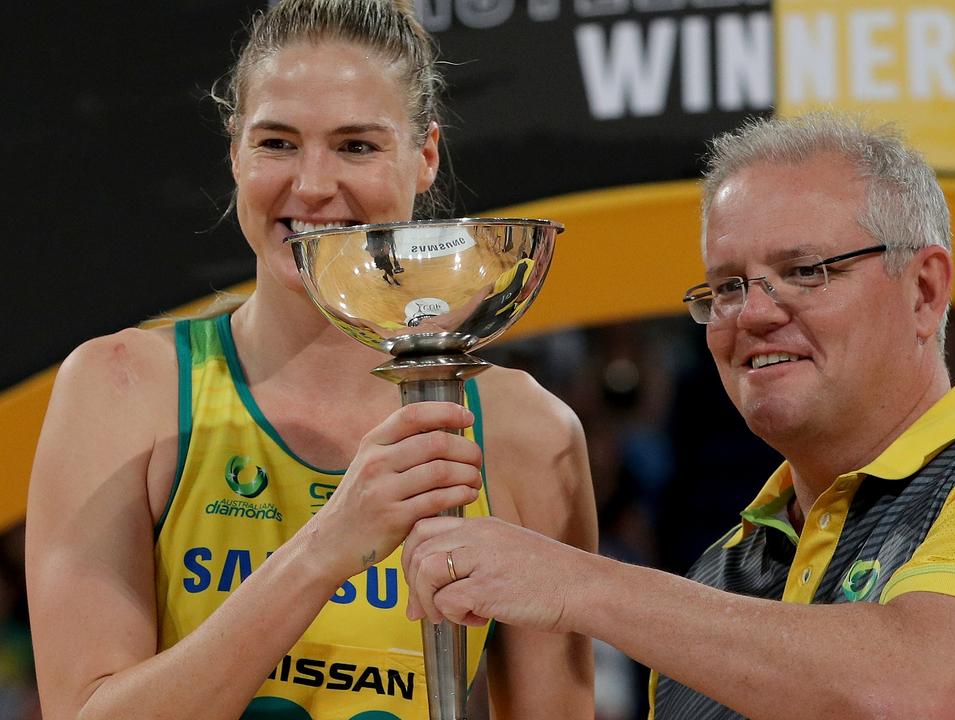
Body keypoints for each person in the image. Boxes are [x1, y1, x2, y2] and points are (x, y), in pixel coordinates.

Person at [399, 113, 955, 719]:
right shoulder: (721, 574)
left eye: (805, 271)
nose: (753, 314)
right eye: (727, 286)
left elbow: (909, 698)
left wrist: (575, 583)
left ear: (925, 290)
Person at [24, 1, 596, 718]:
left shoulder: (526, 435)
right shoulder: (121, 389)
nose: (314, 185)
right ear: (234, 152)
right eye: (277, 143)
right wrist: (326, 549)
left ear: (425, 158)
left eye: (356, 145)